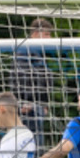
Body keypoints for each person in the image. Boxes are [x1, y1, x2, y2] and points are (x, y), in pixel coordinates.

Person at [14, 17, 55, 150]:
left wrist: (44, 103)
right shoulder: (24, 51)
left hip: (36, 105)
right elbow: (21, 78)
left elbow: (43, 80)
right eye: (47, 34)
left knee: (36, 144)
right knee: (29, 145)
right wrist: (24, 102)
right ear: (36, 33)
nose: (49, 38)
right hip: (28, 107)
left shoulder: (38, 52)